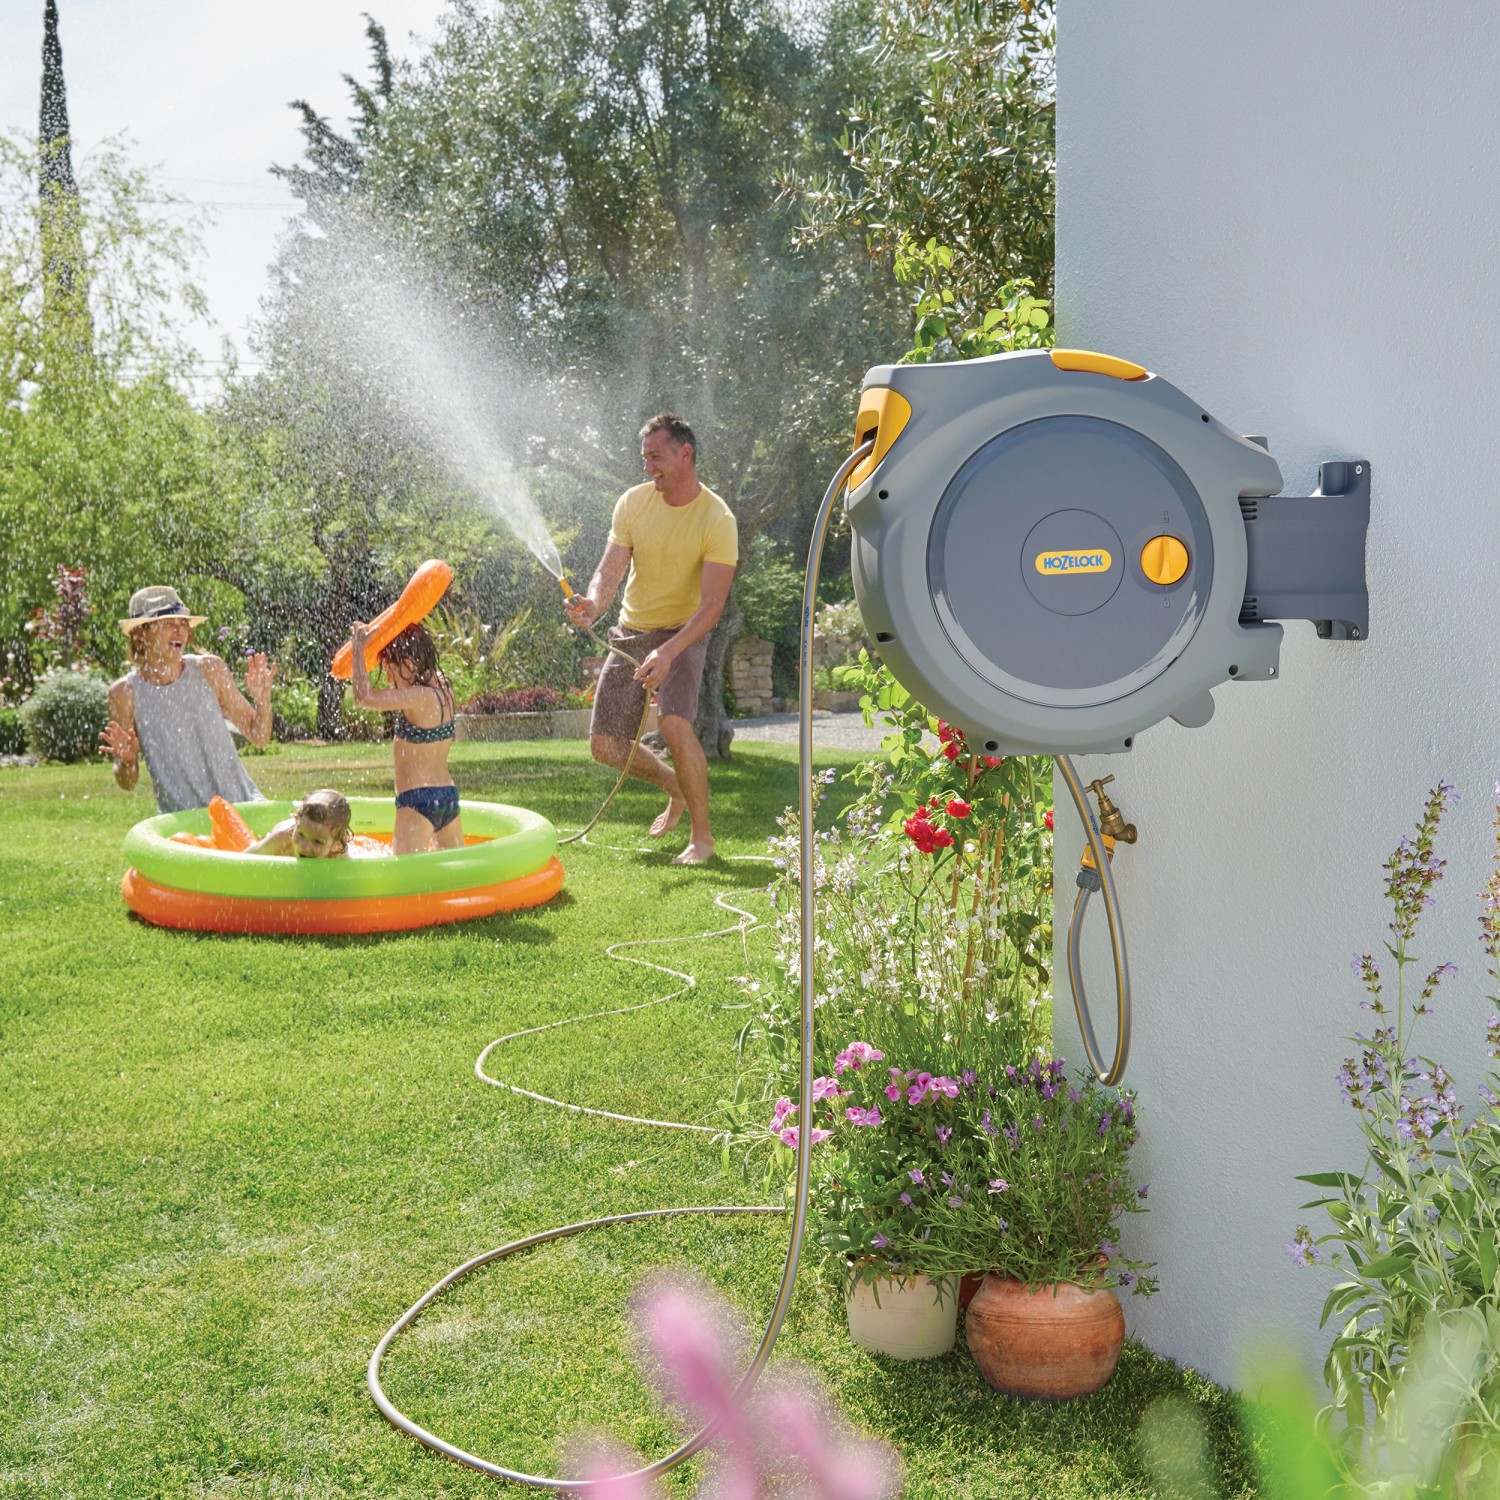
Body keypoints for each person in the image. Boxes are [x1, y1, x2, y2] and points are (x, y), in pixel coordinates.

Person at [565, 412, 737, 865]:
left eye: (655, 457)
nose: (647, 468)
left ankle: (703, 840)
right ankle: (674, 785)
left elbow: (713, 606)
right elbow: (610, 569)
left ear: (685, 454)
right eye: (644, 459)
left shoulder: (717, 518)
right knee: (605, 745)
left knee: (676, 724)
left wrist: (669, 650)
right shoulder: (633, 503)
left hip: (685, 631)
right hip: (632, 630)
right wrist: (594, 605)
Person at [100, 585, 275, 814]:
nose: (179, 631)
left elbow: (259, 736)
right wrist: (127, 761)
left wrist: (262, 701)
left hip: (244, 808)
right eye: (169, 623)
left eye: (183, 623)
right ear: (142, 633)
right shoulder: (124, 693)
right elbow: (127, 782)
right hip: (184, 826)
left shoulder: (209, 669)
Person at [348, 620, 463, 855]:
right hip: (448, 796)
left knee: (402, 879)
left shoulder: (418, 697)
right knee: (455, 873)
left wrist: (358, 649)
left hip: (417, 800)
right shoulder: (445, 688)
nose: (389, 679)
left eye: (390, 670)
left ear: (410, 664)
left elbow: (363, 697)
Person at [245, 789, 353, 858]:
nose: (304, 846)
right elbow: (244, 860)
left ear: (338, 844)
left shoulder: (339, 853)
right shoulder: (282, 838)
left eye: (318, 842)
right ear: (297, 821)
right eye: (300, 834)